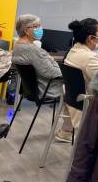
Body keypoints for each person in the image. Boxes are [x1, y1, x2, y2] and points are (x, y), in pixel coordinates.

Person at [12, 14, 73, 142]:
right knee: (79, 88)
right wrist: (68, 72)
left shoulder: (19, 46)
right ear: (26, 30)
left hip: (37, 86)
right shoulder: (32, 50)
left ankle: (68, 128)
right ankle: (67, 130)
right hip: (48, 87)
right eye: (37, 26)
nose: (40, 29)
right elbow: (51, 72)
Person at [64, 18, 98, 129]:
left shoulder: (73, 51)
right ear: (91, 38)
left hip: (75, 103)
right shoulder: (89, 58)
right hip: (90, 105)